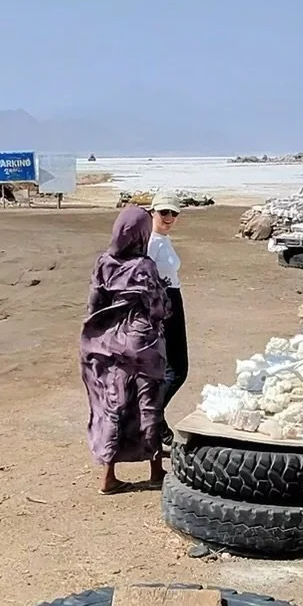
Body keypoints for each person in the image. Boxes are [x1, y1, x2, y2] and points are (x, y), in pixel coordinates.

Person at [80, 203, 171, 494]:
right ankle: (156, 470)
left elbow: (94, 304)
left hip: (110, 344)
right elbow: (159, 309)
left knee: (114, 405)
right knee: (149, 404)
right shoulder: (144, 267)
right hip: (143, 342)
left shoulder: (104, 262)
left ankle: (108, 476)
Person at [148, 194, 189, 410]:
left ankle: (153, 421)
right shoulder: (151, 242)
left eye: (174, 213)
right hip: (164, 304)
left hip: (173, 299)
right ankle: (151, 417)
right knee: (177, 370)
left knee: (169, 369)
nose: (169, 217)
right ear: (152, 212)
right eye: (164, 212)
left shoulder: (163, 239)